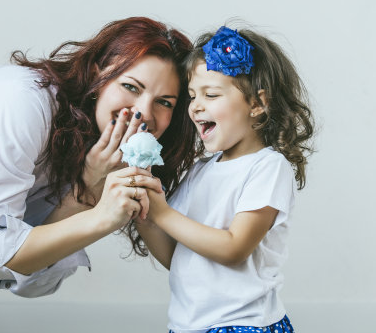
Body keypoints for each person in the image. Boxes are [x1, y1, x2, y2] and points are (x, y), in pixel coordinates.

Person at [0, 17, 196, 332]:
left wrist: (84, 193)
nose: (143, 112)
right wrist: (100, 217)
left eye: (164, 103)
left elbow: (29, 283)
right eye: (130, 86)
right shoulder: (24, 103)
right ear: (98, 74)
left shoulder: (90, 151)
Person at [130, 25, 315, 332]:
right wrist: (146, 216)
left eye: (211, 94)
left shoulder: (267, 167)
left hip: (243, 325)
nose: (196, 106)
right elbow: (178, 256)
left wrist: (163, 213)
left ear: (257, 104)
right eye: (192, 96)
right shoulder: (202, 169)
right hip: (188, 325)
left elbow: (233, 248)